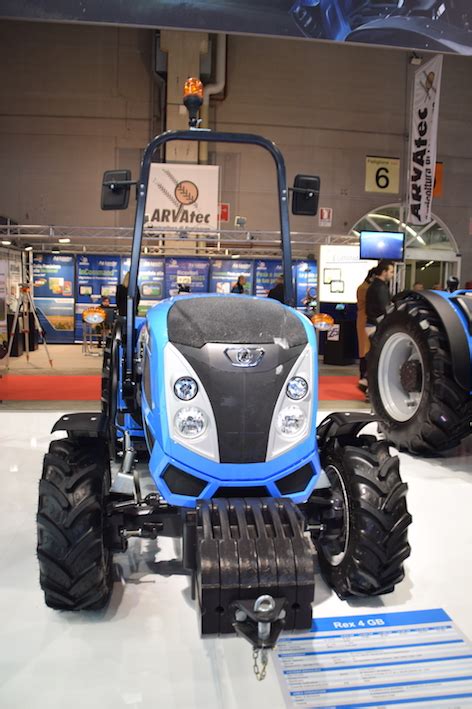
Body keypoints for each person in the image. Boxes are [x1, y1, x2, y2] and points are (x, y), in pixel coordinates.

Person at [364, 260, 395, 395]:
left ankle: (366, 382)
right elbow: (385, 308)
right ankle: (368, 385)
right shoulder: (381, 287)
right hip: (377, 325)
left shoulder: (373, 286)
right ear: (384, 272)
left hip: (371, 324)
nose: (393, 275)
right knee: (378, 356)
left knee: (376, 354)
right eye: (392, 271)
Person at [356, 267, 376, 392]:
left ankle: (364, 376)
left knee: (364, 349)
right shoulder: (365, 288)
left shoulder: (363, 287)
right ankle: (364, 376)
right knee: (365, 349)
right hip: (365, 320)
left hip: (364, 319)